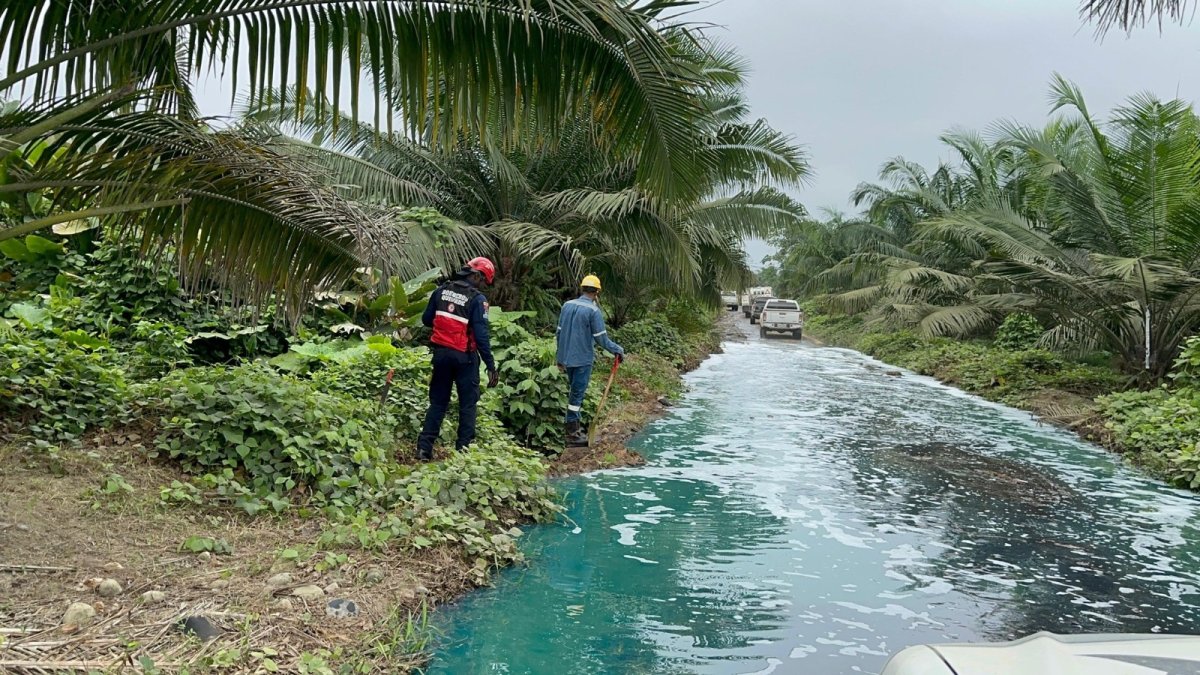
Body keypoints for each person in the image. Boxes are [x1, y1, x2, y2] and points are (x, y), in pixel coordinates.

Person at [416, 257, 499, 461]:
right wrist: (490, 365)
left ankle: (424, 449)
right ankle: (463, 452)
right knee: (467, 405)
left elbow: (426, 319)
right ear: (476, 276)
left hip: (441, 354)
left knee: (438, 403)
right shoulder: (478, 300)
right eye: (483, 281)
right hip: (465, 358)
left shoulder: (441, 290)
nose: (483, 286)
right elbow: (481, 337)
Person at [556, 274, 625, 446]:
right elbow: (602, 339)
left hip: (565, 358)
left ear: (582, 289)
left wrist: (560, 357)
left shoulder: (567, 305)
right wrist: (618, 350)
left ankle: (573, 427)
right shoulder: (593, 311)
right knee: (577, 394)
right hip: (582, 359)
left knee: (573, 392)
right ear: (597, 293)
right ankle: (572, 434)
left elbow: (559, 332)